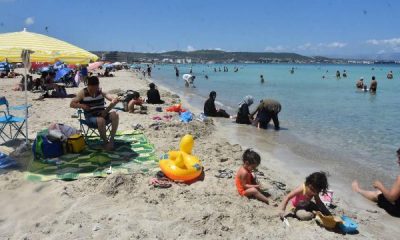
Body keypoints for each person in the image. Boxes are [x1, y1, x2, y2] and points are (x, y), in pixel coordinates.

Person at [70, 76, 119, 151]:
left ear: (98, 86)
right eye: (91, 89)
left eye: (95, 88)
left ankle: (111, 141)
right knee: (101, 120)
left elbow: (111, 98)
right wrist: (81, 105)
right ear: (88, 86)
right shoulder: (83, 93)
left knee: (115, 115)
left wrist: (113, 101)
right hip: (90, 118)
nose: (94, 91)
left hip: (102, 114)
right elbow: (72, 104)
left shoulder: (100, 91)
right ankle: (106, 143)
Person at [352, 148, 400, 217]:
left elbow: (391, 197)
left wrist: (380, 186)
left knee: (378, 194)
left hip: (397, 211)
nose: (397, 161)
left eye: (399, 159)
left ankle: (357, 190)